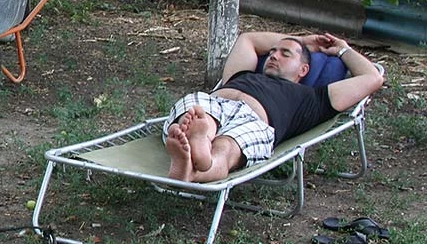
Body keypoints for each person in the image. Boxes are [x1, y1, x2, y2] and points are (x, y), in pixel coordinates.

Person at [163, 31, 384, 183]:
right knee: (198, 108)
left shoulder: (313, 98)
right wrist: (302, 40)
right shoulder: (243, 74)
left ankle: (194, 165)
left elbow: (372, 78)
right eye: (271, 52)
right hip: (214, 105)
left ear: (304, 70)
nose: (273, 56)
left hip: (255, 122)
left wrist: (342, 49)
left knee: (228, 148)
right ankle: (201, 140)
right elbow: (247, 39)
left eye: (285, 54)